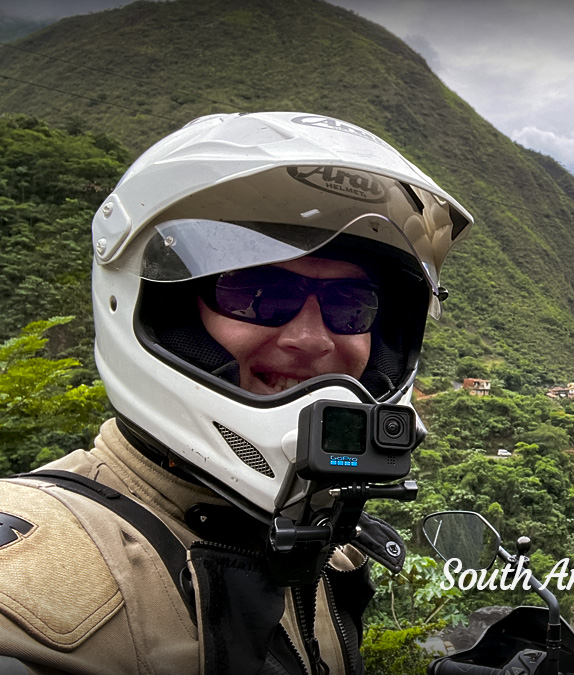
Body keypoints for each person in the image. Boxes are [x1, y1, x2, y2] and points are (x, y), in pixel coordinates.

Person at [0, 112, 473, 674]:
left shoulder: (320, 547)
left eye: (352, 306)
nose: (311, 339)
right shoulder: (39, 574)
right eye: (258, 292)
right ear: (166, 315)